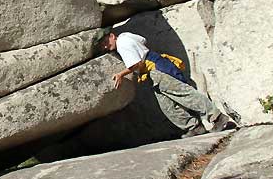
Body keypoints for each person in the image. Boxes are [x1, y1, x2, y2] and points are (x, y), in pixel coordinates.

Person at [99, 31, 234, 138]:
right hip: (157, 66)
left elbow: (136, 64)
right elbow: (143, 40)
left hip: (157, 70)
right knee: (168, 105)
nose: (106, 46)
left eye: (106, 42)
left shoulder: (122, 44)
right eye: (103, 46)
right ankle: (194, 127)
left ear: (112, 36)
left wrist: (120, 74)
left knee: (184, 94)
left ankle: (217, 117)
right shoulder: (126, 36)